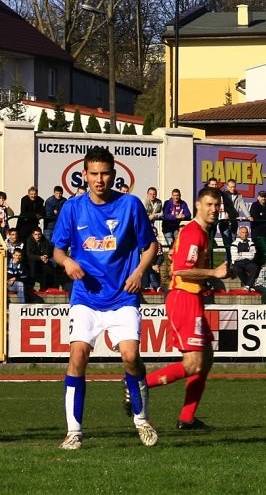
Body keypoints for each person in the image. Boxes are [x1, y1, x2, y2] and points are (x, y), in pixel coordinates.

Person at [52, 146, 159, 450]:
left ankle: (141, 419)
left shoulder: (130, 205)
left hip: (123, 296)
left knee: (130, 357)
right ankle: (74, 432)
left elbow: (151, 246)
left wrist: (139, 272)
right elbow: (57, 250)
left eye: (105, 174)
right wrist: (67, 262)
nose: (99, 180)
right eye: (94, 174)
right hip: (86, 297)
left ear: (114, 175)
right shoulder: (73, 208)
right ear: (84, 175)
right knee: (77, 356)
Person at [138, 186, 230, 430]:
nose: (213, 209)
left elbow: (177, 262)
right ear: (198, 205)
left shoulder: (200, 233)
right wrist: (214, 272)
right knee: (193, 363)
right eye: (209, 204)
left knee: (206, 359)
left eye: (217, 205)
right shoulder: (194, 233)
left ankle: (187, 418)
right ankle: (138, 384)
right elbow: (180, 270)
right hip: (184, 298)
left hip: (193, 297)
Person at [219, 179, 252, 263]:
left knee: (233, 243)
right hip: (224, 222)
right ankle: (227, 262)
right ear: (227, 186)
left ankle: (232, 262)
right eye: (231, 187)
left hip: (234, 222)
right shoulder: (222, 195)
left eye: (234, 187)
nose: (232, 188)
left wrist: (248, 216)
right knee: (227, 244)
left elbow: (243, 206)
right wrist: (224, 214)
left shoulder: (238, 196)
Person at [249, 190, 266, 264]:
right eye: (261, 197)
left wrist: (262, 214)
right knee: (257, 251)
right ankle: (256, 266)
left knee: (265, 251)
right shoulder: (254, 205)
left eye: (264, 197)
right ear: (258, 197)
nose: (263, 198)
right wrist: (265, 216)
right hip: (256, 233)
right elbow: (255, 216)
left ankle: (264, 266)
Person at [230, 226, 260, 291]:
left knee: (255, 267)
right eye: (243, 232)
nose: (245, 234)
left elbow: (252, 256)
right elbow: (234, 257)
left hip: (248, 263)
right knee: (237, 270)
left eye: (246, 233)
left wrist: (240, 254)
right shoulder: (234, 244)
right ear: (239, 234)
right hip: (238, 264)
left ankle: (247, 286)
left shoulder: (251, 243)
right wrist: (247, 254)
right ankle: (249, 286)